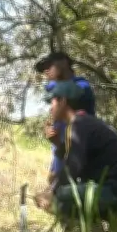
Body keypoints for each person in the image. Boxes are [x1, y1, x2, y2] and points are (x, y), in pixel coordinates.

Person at [34, 81, 117, 221]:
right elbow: (76, 161)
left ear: (62, 101)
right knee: (58, 191)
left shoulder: (79, 125)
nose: (50, 109)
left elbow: (73, 168)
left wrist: (51, 192)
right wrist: (58, 145)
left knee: (56, 198)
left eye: (52, 102)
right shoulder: (83, 123)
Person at [34, 52, 96, 191]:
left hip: (81, 160)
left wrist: (52, 86)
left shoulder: (81, 85)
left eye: (49, 65)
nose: (46, 70)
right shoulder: (57, 94)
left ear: (64, 62)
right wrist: (49, 131)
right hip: (61, 156)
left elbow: (74, 92)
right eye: (43, 68)